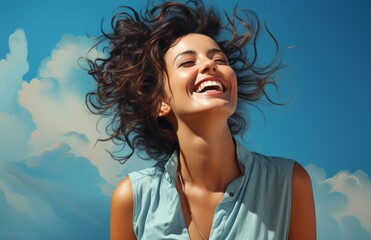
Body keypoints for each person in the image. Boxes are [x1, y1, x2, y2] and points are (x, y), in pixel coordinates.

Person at [86, 0, 316, 239]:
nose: (209, 65)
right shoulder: (133, 198)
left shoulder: (289, 182)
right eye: (187, 62)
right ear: (159, 102)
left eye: (219, 59)